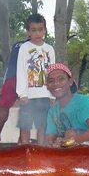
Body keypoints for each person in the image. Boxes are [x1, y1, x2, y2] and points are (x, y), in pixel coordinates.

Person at [15, 13, 55, 145]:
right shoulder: (24, 48)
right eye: (33, 30)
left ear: (44, 30)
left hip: (45, 95)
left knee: (42, 126)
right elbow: (20, 71)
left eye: (40, 29)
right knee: (25, 126)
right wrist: (22, 94)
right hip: (28, 95)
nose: (37, 33)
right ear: (28, 32)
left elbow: (52, 73)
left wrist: (52, 95)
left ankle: (41, 152)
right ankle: (25, 150)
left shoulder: (50, 49)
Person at [0, 38, 28, 143]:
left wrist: (4, 85)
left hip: (12, 78)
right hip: (28, 80)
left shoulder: (17, 45)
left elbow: (10, 66)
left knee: (4, 107)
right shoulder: (40, 46)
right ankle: (22, 140)